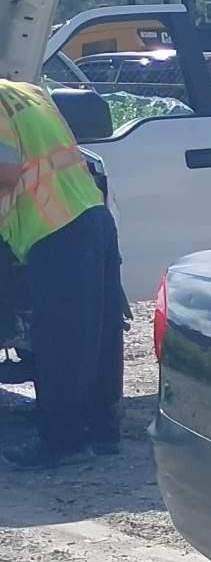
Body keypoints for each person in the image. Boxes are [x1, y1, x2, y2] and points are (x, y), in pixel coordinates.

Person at [0, 77, 123, 468]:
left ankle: (63, 442)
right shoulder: (28, 90)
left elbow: (5, 169)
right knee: (98, 332)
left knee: (61, 339)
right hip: (91, 212)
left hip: (52, 226)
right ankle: (103, 431)